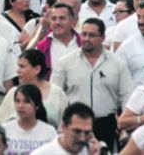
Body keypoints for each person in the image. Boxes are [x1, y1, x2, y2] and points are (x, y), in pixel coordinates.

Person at [51, 18, 134, 150]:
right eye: (84, 34)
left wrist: (125, 127)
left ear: (102, 37)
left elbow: (127, 97)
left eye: (92, 35)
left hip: (106, 125)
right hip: (74, 125)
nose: (87, 38)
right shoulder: (65, 62)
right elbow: (55, 95)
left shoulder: (117, 64)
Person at [0, 49, 68, 130]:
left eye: (22, 66)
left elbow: (64, 127)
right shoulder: (13, 93)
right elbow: (1, 125)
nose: (17, 71)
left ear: (37, 69)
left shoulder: (57, 93)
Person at [2, 85, 58, 154]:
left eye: (26, 101)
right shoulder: (4, 130)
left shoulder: (49, 132)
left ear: (37, 105)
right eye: (17, 101)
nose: (20, 106)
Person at [31, 102, 103, 155]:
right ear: (63, 127)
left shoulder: (92, 151)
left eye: (87, 133)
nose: (82, 138)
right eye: (77, 132)